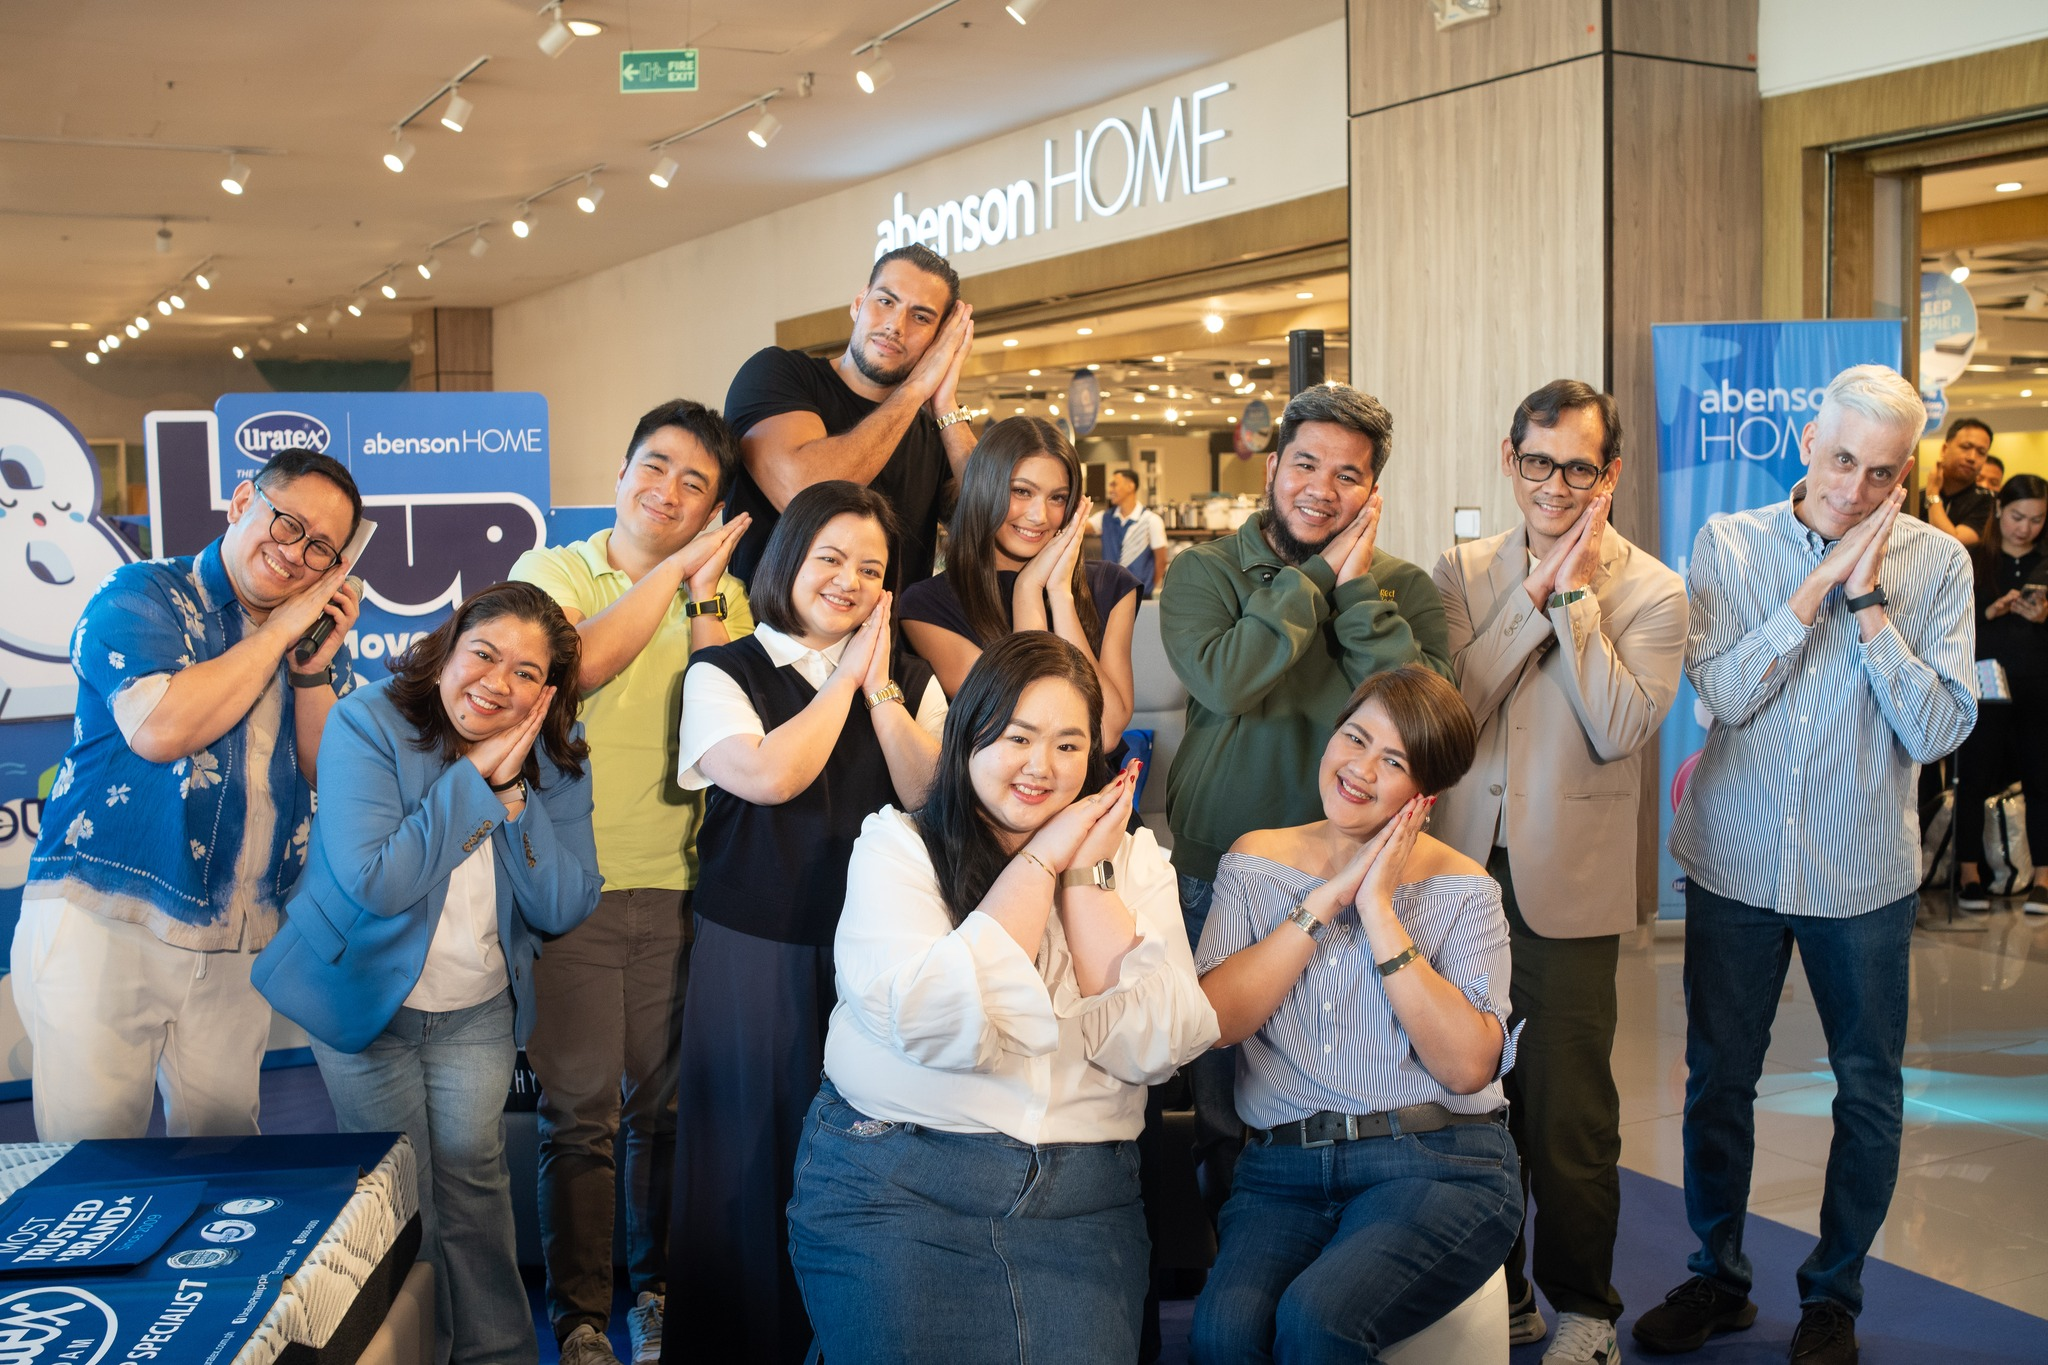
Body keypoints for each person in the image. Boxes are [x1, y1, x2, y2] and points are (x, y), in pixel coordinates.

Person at [1646, 365, 1975, 1365]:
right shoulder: (1729, 542)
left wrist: (1867, 605)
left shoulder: (1937, 565)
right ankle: (1717, 1277)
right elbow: (1721, 695)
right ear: (1804, 443)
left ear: (1903, 471)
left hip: (1861, 874)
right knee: (1718, 1082)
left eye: (1880, 473)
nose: (1854, 489)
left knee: (1867, 1091)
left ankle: (1832, 1296)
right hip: (1734, 862)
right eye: (1840, 460)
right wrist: (1807, 598)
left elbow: (1937, 730)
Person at [787, 633, 1219, 1363]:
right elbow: (933, 1022)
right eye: (1018, 737)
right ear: (968, 734)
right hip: (900, 1184)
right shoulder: (899, 845)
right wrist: (1042, 861)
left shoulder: (1133, 860)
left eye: (1068, 744)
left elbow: (1156, 1046)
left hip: (1081, 1207)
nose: (1041, 766)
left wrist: (1083, 877)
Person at [252, 581, 604, 1365]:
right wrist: (475, 782)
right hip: (362, 996)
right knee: (402, 1194)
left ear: (547, 692)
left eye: (525, 672)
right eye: (484, 653)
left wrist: (514, 795)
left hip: (476, 1005)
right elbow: (376, 882)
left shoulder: (554, 753)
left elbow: (565, 902)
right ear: (446, 649)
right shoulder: (367, 722)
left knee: (475, 1181)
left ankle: (500, 1354)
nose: (497, 682)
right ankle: (422, 1351)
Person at [1431, 380, 1686, 1363]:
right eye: (1537, 462)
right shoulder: (1461, 571)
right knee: (1469, 1104)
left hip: (1567, 887)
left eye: (1578, 468)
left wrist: (1573, 597)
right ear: (1510, 458)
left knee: (1570, 1117)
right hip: (1455, 873)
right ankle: (1500, 1293)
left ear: (1608, 474)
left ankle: (1586, 1309)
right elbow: (1455, 708)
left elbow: (1618, 726)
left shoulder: (1652, 590)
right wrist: (1530, 594)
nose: (1554, 484)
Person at [665, 481, 948, 1363]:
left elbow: (931, 794)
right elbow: (767, 776)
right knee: (746, 1157)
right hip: (754, 946)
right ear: (789, 559)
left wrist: (879, 687)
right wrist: (845, 677)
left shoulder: (909, 681)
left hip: (878, 954)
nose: (848, 580)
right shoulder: (724, 669)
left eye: (870, 567)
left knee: (863, 1157)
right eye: (830, 557)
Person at [1160, 381, 1451, 1217]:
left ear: (1373, 491)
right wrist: (1319, 576)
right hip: (1219, 873)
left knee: (1338, 1077)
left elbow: (1423, 720)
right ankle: (1233, 1253)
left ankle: (1330, 1241)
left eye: (1348, 474)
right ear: (1272, 468)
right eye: (1306, 464)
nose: (1322, 488)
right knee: (1219, 1091)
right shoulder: (1205, 571)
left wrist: (1357, 595)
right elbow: (1227, 678)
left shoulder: (1403, 588)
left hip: (1358, 877)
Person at [13, 448, 363, 1140]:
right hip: (107, 918)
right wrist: (281, 631)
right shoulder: (141, 594)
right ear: (243, 503)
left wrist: (310, 669)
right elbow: (161, 727)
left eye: (322, 548)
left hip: (237, 932)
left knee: (224, 1155)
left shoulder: (312, 636)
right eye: (288, 523)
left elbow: (329, 772)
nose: (296, 554)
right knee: (93, 1158)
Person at [509, 399, 754, 1365]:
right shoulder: (555, 572)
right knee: (578, 1116)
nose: (668, 491)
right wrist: (675, 575)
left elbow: (724, 713)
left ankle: (655, 1298)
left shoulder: (725, 596)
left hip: (683, 882)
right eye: (655, 466)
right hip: (572, 887)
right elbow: (572, 668)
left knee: (665, 1113)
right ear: (619, 473)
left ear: (713, 508)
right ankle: (578, 1318)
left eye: (696, 483)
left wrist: (704, 595)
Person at [1188, 665, 1520, 1364]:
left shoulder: (1466, 889)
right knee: (1222, 1337)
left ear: (1425, 792)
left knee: (1316, 1321)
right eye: (1356, 738)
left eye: (1394, 761)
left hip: (1434, 1161)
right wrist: (1326, 900)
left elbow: (1466, 1068)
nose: (1360, 769)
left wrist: (1378, 910)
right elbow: (1216, 1023)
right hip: (1282, 1170)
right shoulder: (1255, 861)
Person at [721, 243, 977, 587]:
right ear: (858, 303)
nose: (896, 326)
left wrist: (945, 405)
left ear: (940, 339)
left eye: (921, 317)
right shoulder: (777, 373)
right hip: (764, 622)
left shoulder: (933, 428)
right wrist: (916, 389)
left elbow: (990, 522)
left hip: (892, 624)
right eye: (885, 301)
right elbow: (807, 497)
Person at [901, 416, 1142, 749]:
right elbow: (1035, 723)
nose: (1038, 515)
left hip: (1096, 784)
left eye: (1057, 498)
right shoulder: (927, 606)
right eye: (1021, 491)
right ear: (984, 489)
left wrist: (1059, 594)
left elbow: (1106, 734)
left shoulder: (1111, 586)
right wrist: (1027, 592)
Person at [1954, 474, 2048, 913]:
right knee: (1973, 778)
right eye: (2017, 516)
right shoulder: (1974, 560)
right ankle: (1968, 873)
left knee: (2041, 781)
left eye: (2037, 519)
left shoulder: (2045, 563)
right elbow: (1947, 628)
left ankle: (2043, 878)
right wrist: (1988, 612)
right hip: (1984, 684)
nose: (2025, 528)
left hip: (2038, 686)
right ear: (1998, 510)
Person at [1090, 465, 1169, 595]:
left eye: (1114, 484)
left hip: (1141, 596)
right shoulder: (1104, 518)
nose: (1110, 490)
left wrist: (1149, 588)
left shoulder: (1151, 520)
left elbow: (1161, 560)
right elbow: (1080, 527)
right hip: (1110, 594)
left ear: (1130, 486)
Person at [1920, 417, 1996, 546]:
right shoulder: (1916, 498)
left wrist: (1933, 494)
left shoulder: (1987, 501)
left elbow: (1952, 543)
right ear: (1944, 449)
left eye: (1981, 452)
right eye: (1966, 447)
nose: (1972, 458)